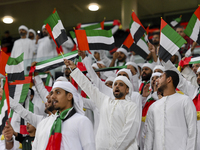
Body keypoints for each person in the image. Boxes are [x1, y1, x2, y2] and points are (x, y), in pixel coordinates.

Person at [65, 59, 140, 150]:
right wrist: (74, 69)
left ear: (127, 90)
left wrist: (115, 148)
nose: (117, 86)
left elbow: (130, 132)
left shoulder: (131, 106)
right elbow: (89, 87)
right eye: (115, 84)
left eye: (121, 84)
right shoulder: (105, 101)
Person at [32, 81, 95, 150]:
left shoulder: (82, 121)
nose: (52, 96)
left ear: (69, 96)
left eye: (58, 92)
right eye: (52, 93)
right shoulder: (52, 123)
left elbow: (89, 147)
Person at [144, 70, 197, 150]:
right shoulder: (154, 106)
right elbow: (149, 136)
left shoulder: (185, 101)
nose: (157, 80)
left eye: (161, 77)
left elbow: (192, 131)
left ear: (169, 79)